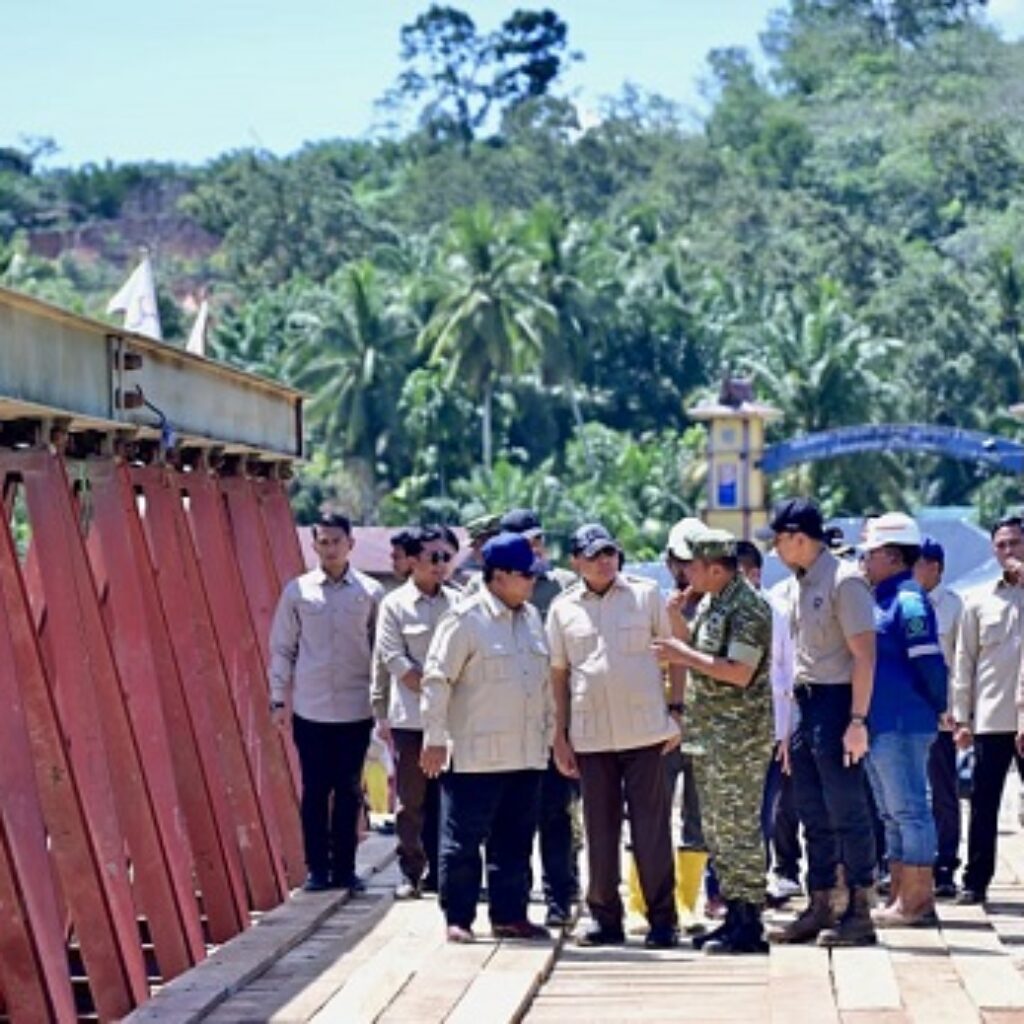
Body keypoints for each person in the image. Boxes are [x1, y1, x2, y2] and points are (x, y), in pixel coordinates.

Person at [548, 523, 681, 949]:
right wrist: (560, 735)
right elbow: (558, 674)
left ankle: (663, 920)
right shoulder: (562, 608)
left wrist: (677, 710)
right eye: (594, 555)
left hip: (645, 733)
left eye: (609, 553)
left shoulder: (645, 595)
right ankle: (605, 918)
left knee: (652, 830)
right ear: (576, 562)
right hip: (591, 736)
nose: (604, 561)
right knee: (599, 832)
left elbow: (674, 655)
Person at [420, 533, 553, 943]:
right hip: (475, 756)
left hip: (525, 753)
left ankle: (510, 915)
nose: (532, 582)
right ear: (498, 577)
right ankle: (458, 917)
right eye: (525, 575)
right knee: (462, 842)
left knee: (515, 842)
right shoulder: (465, 620)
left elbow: (544, 686)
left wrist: (551, 740)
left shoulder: (531, 619)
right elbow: (437, 679)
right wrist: (435, 738)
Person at [653, 531, 775, 954]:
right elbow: (703, 652)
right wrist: (678, 625)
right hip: (712, 736)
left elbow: (738, 671)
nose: (685, 573)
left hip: (738, 738)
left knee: (739, 828)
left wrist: (681, 656)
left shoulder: (748, 608)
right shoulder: (713, 602)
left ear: (716, 568)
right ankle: (733, 912)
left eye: (693, 566)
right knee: (718, 830)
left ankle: (749, 920)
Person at [764, 498, 878, 948]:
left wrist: (857, 720)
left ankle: (859, 910)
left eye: (778, 538)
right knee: (811, 809)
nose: (774, 548)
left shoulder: (844, 581)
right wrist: (788, 726)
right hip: (805, 703)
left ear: (798, 537)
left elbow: (865, 655)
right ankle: (820, 903)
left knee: (847, 809)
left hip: (837, 703)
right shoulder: (795, 585)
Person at [269, 511, 384, 892]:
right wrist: (277, 698)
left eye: (336, 541)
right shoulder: (297, 592)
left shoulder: (370, 592)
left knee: (349, 789)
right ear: (314, 544)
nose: (330, 548)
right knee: (316, 789)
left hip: (355, 706)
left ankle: (346, 870)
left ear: (350, 544)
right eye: (323, 541)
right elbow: (282, 648)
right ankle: (317, 869)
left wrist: (381, 704)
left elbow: (380, 650)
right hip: (311, 707)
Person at [860, 513, 946, 928]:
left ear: (892, 556)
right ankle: (898, 895)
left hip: (903, 721)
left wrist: (939, 704)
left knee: (910, 809)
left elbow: (929, 663)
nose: (864, 561)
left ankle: (917, 899)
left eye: (870, 554)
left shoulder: (909, 602)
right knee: (892, 813)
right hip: (880, 722)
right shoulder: (880, 599)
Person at [499, 508, 580, 927]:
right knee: (512, 818)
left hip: (553, 718)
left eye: (538, 540)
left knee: (556, 814)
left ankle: (560, 897)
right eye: (526, 542)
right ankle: (514, 901)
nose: (536, 548)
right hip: (509, 722)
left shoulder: (565, 588)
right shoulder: (488, 597)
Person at [372, 527, 457, 899]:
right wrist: (434, 688)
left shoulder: (460, 603)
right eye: (432, 557)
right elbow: (394, 659)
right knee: (412, 800)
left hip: (456, 719)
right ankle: (411, 873)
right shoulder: (394, 605)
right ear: (413, 561)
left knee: (451, 798)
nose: (440, 566)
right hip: (412, 718)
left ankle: (446, 873)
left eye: (445, 558)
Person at [952, 514, 1024, 906]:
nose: (1009, 551)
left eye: (1015, 542)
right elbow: (965, 663)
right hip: (993, 719)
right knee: (982, 804)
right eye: (1002, 545)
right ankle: (975, 880)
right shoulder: (978, 601)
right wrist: (961, 717)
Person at [736, 540, 802, 904]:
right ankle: (736, 889)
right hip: (730, 732)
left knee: (764, 810)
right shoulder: (720, 612)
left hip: (772, 727)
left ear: (756, 573)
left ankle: (753, 886)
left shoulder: (776, 610)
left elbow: (790, 674)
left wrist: (787, 733)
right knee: (732, 813)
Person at [914, 537, 964, 900]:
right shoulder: (902, 603)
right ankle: (903, 864)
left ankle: (945, 864)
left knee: (943, 793)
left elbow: (960, 663)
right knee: (905, 793)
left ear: (936, 568)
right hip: (904, 712)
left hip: (941, 713)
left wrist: (957, 711)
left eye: (920, 563)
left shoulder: (954, 606)